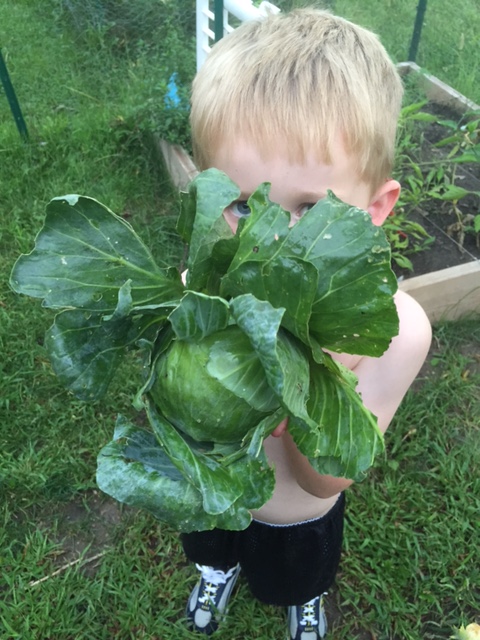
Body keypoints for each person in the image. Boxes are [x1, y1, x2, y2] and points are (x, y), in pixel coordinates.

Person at [181, 7, 432, 639]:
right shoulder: (202, 289)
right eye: (243, 206)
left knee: (292, 574)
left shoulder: (397, 334)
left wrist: (303, 379)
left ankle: (304, 601)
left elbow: (326, 479)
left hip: (295, 516)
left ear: (374, 209)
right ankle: (215, 571)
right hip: (214, 490)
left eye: (308, 208)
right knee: (211, 541)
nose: (270, 237)